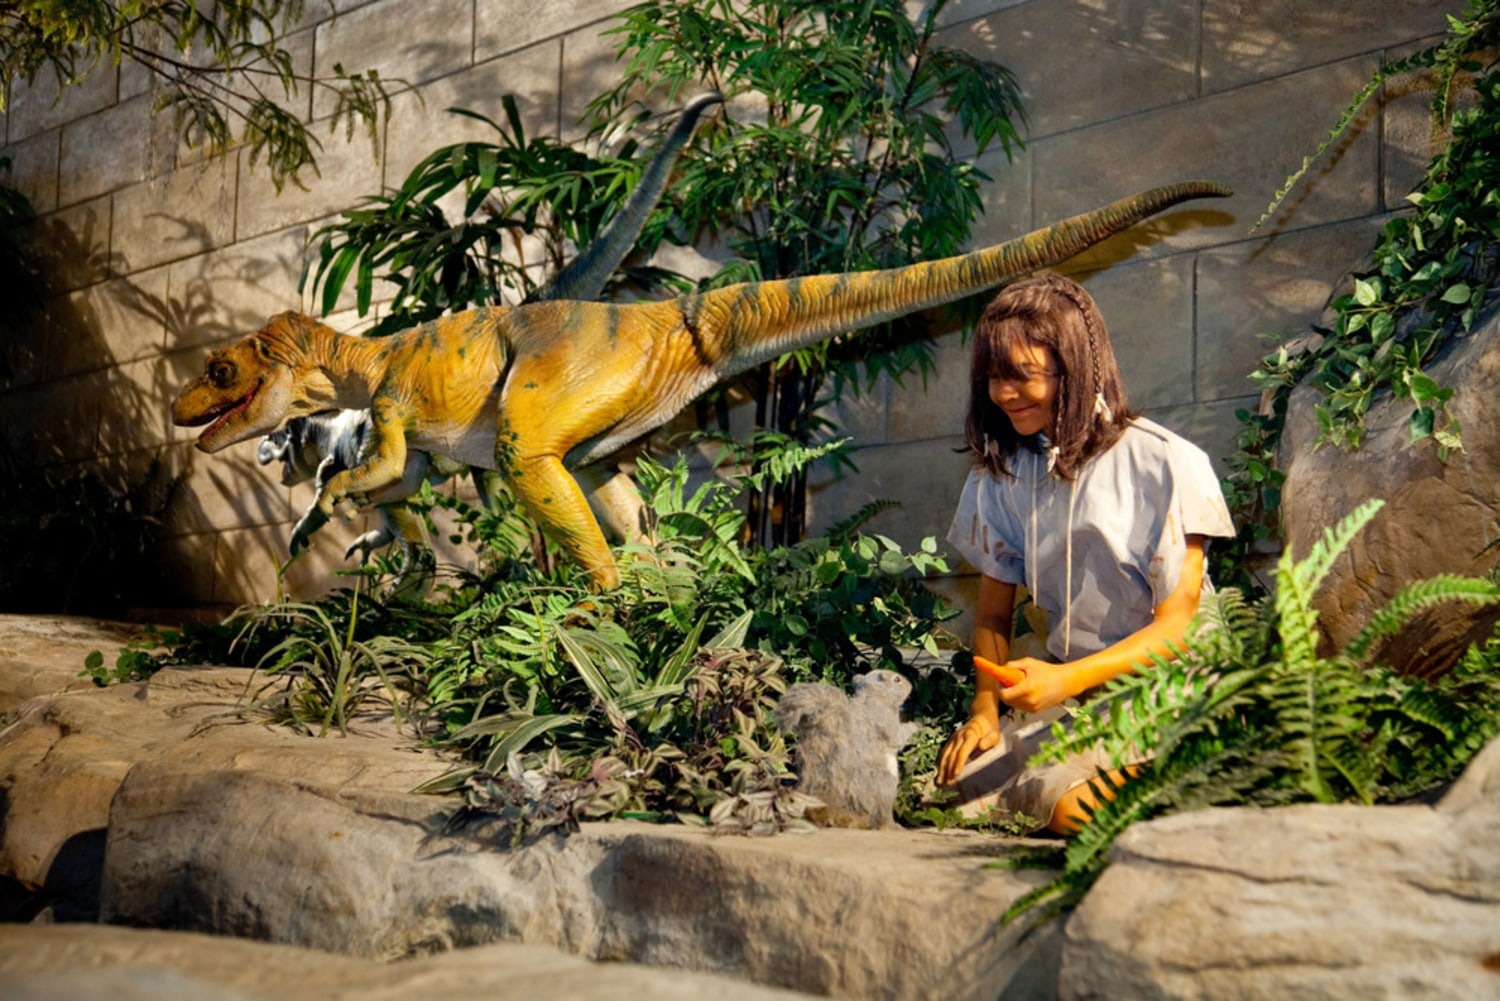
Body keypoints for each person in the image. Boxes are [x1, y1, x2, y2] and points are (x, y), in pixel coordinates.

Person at [934, 272, 1234, 834]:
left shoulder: (1165, 461)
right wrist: (985, 709)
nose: (1004, 394)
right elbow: (993, 614)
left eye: (1023, 375)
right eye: (993, 377)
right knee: (954, 790)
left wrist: (1064, 680)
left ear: (1074, 368)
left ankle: (1221, 772)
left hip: (1174, 693)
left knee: (1072, 809)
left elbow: (1179, 628)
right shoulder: (1002, 473)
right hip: (1080, 698)